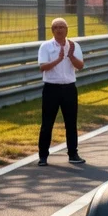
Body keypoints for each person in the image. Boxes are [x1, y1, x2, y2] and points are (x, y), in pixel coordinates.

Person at [36, 17, 86, 166]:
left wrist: (70, 55)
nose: (59, 30)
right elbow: (42, 67)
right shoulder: (46, 46)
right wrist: (58, 59)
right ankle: (43, 156)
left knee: (71, 123)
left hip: (69, 88)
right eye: (56, 27)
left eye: (62, 27)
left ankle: (73, 153)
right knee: (47, 123)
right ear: (52, 30)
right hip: (51, 88)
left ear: (66, 30)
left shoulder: (74, 46)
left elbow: (80, 66)